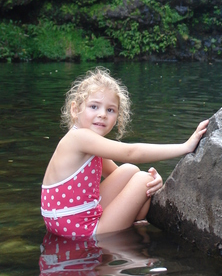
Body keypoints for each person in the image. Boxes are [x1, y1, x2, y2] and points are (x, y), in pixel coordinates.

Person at [41, 67, 208, 240]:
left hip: (65, 225)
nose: (102, 115)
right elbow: (131, 152)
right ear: (75, 109)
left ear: (118, 116)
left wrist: (155, 183)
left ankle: (131, 219)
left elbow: (123, 181)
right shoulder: (80, 138)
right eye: (94, 106)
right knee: (143, 179)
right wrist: (185, 147)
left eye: (110, 110)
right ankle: (131, 225)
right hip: (83, 231)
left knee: (130, 171)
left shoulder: (85, 141)